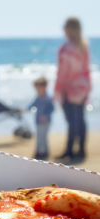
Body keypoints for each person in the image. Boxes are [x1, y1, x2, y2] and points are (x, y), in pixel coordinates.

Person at [55, 17, 91, 160]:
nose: (63, 29)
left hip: (69, 89)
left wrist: (57, 90)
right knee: (81, 119)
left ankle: (69, 150)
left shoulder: (66, 48)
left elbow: (62, 73)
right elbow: (87, 70)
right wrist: (88, 88)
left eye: (65, 26)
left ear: (70, 29)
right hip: (82, 87)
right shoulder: (84, 46)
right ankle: (81, 150)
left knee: (72, 121)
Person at [28, 77, 54, 160]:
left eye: (39, 89)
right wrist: (25, 108)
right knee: (38, 136)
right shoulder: (38, 97)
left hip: (46, 121)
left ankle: (45, 151)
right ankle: (38, 151)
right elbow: (32, 104)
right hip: (38, 121)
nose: (38, 91)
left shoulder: (47, 98)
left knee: (43, 136)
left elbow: (52, 108)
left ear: (44, 87)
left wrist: (46, 115)